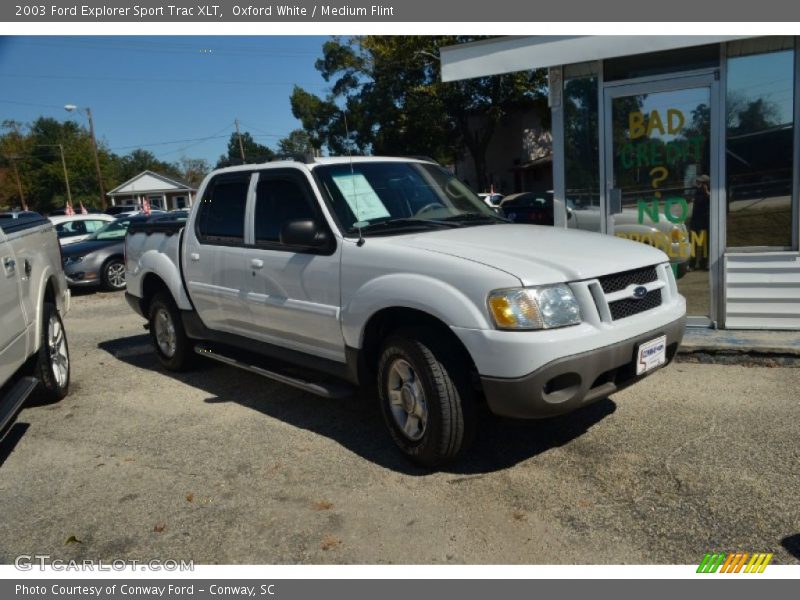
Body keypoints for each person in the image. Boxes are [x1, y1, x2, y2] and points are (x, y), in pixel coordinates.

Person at [690, 174, 710, 270]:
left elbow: (709, 202)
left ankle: (703, 263)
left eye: (700, 182)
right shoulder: (697, 192)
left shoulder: (708, 193)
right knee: (694, 243)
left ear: (705, 184)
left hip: (704, 222)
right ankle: (692, 264)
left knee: (705, 243)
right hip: (696, 221)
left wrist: (707, 192)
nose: (698, 184)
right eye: (698, 182)